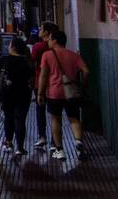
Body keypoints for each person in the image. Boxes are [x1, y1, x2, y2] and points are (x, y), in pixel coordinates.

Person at [38, 28, 89, 161]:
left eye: (49, 39)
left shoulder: (47, 55)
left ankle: (59, 150)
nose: (48, 41)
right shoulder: (73, 55)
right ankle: (78, 142)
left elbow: (43, 76)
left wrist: (40, 93)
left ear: (55, 40)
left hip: (54, 93)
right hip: (71, 93)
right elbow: (86, 71)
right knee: (74, 118)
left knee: (56, 120)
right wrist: (82, 85)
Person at [0, 36, 35, 156]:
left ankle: (8, 142)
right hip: (23, 94)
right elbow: (32, 81)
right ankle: (20, 147)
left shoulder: (4, 60)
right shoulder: (27, 62)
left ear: (12, 47)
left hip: (7, 94)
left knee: (8, 118)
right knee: (20, 120)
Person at [28, 22, 57, 149]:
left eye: (41, 28)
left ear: (46, 32)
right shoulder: (56, 46)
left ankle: (42, 137)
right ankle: (55, 141)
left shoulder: (38, 47)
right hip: (55, 82)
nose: (39, 30)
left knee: (40, 110)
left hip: (40, 81)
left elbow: (31, 62)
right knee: (55, 113)